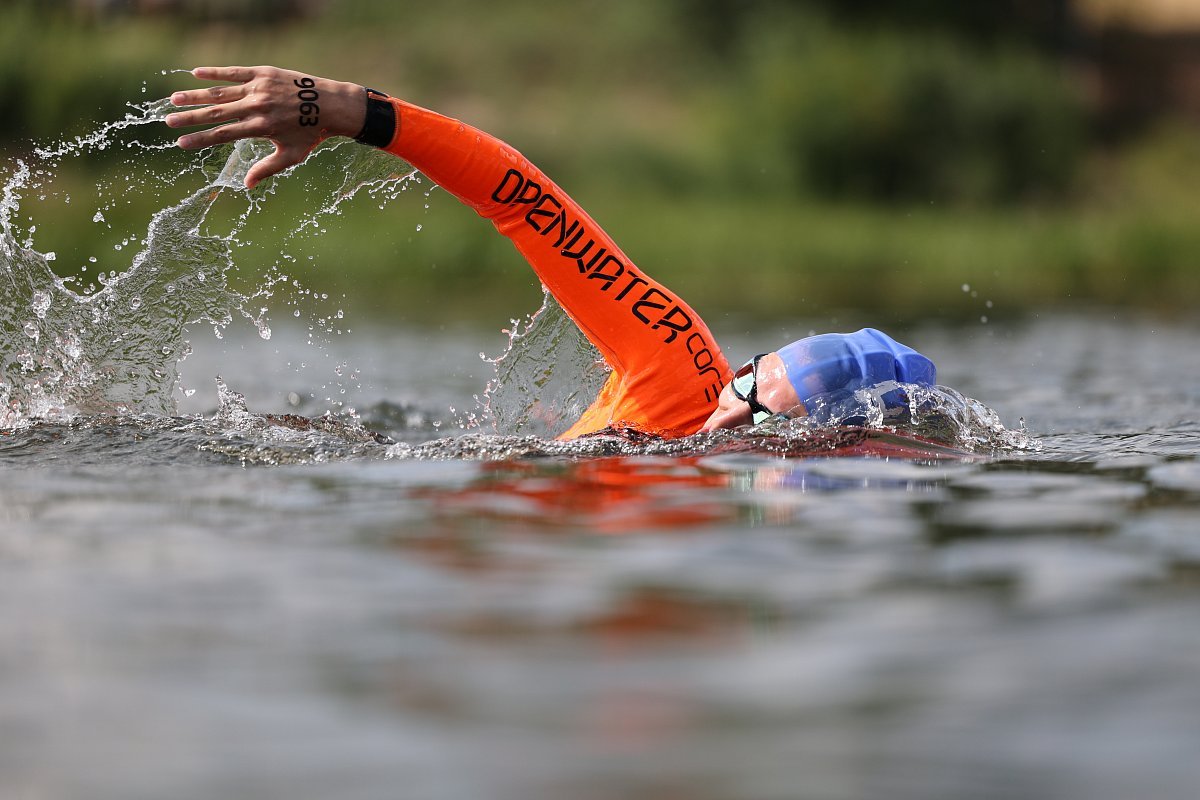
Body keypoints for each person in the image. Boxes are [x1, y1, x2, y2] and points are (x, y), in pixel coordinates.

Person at [166, 66, 936, 439]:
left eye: (759, 410)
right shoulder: (677, 362)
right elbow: (526, 202)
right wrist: (344, 108)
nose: (730, 407)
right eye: (746, 383)